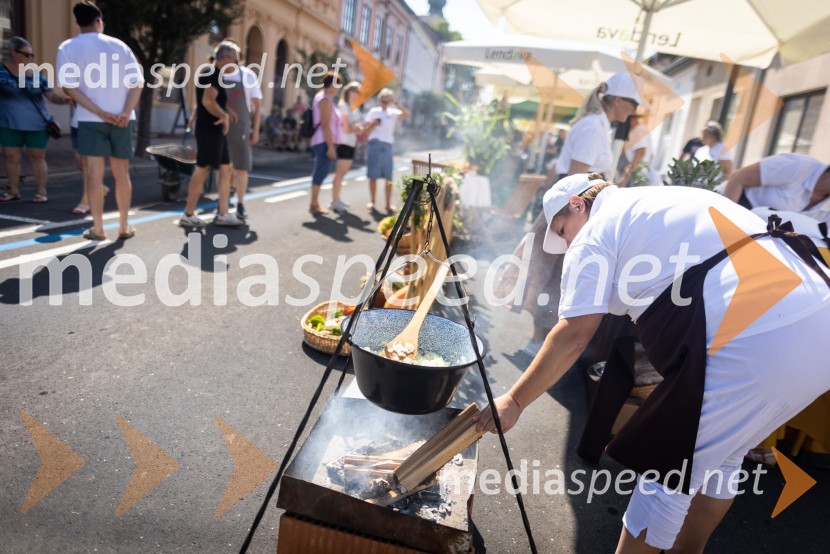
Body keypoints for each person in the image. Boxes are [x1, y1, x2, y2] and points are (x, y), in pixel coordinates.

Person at [478, 173, 830, 553]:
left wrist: (514, 401)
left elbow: (575, 333)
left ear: (578, 204)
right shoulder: (661, 201)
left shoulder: (596, 231)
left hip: (758, 340)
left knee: (666, 473)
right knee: (720, 464)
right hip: (818, 326)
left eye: (563, 231)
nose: (567, 244)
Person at [514, 72, 643, 357]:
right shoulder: (593, 127)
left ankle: (542, 342)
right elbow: (576, 176)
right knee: (555, 276)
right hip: (571, 210)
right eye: (633, 104)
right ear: (618, 100)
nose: (634, 111)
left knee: (554, 274)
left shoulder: (596, 125)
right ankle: (539, 342)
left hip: (570, 207)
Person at [57, 2, 143, 241]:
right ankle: (124, 226)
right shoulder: (120, 46)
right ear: (99, 21)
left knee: (94, 174)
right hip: (122, 119)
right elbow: (137, 83)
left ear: (77, 23)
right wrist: (125, 111)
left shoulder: (67, 47)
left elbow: (69, 88)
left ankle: (98, 228)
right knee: (121, 173)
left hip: (89, 119)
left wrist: (100, 112)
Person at [0, 37, 71, 203]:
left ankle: (41, 192)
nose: (30, 58)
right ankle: (13, 191)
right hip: (8, 123)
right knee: (11, 157)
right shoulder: (1, 72)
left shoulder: (36, 74)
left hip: (37, 124)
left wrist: (63, 100)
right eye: (26, 54)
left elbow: (50, 95)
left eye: (32, 55)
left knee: (37, 157)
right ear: (13, 52)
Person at [179, 43, 242, 228]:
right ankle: (188, 214)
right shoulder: (211, 74)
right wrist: (224, 116)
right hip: (210, 130)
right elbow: (207, 101)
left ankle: (223, 213)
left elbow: (211, 101)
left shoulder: (214, 74)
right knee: (203, 170)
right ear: (225, 58)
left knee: (226, 169)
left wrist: (226, 110)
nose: (237, 64)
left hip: (215, 131)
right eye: (236, 60)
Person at [219, 41, 262, 220]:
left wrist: (255, 130)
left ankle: (240, 203)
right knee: (224, 169)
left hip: (240, 128)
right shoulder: (215, 74)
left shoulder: (247, 76)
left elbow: (257, 106)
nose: (232, 61)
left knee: (241, 168)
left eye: (235, 58)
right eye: (227, 57)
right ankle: (222, 203)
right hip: (219, 128)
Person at [722, 153, 830, 223]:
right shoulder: (798, 165)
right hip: (737, 207)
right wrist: (724, 219)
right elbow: (738, 178)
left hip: (765, 239)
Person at [364, 88, 409, 214]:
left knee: (389, 176)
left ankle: (388, 204)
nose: (384, 103)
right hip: (374, 144)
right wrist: (373, 124)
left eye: (387, 101)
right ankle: (372, 201)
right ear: (379, 100)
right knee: (373, 175)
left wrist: (396, 103)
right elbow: (365, 130)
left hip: (388, 145)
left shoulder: (393, 112)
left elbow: (406, 115)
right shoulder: (373, 112)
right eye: (383, 101)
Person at [308, 71, 342, 215]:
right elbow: (325, 125)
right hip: (323, 140)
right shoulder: (325, 100)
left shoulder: (325, 98)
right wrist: (330, 146)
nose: (338, 87)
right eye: (337, 84)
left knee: (321, 171)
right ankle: (314, 204)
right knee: (320, 171)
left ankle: (315, 203)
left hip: (322, 140)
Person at [330, 81, 364, 213]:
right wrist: (355, 127)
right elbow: (345, 128)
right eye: (356, 91)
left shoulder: (354, 107)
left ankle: (337, 198)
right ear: (349, 92)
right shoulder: (343, 106)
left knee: (343, 173)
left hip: (351, 142)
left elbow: (356, 126)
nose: (358, 94)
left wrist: (358, 128)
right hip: (343, 142)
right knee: (339, 173)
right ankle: (334, 201)